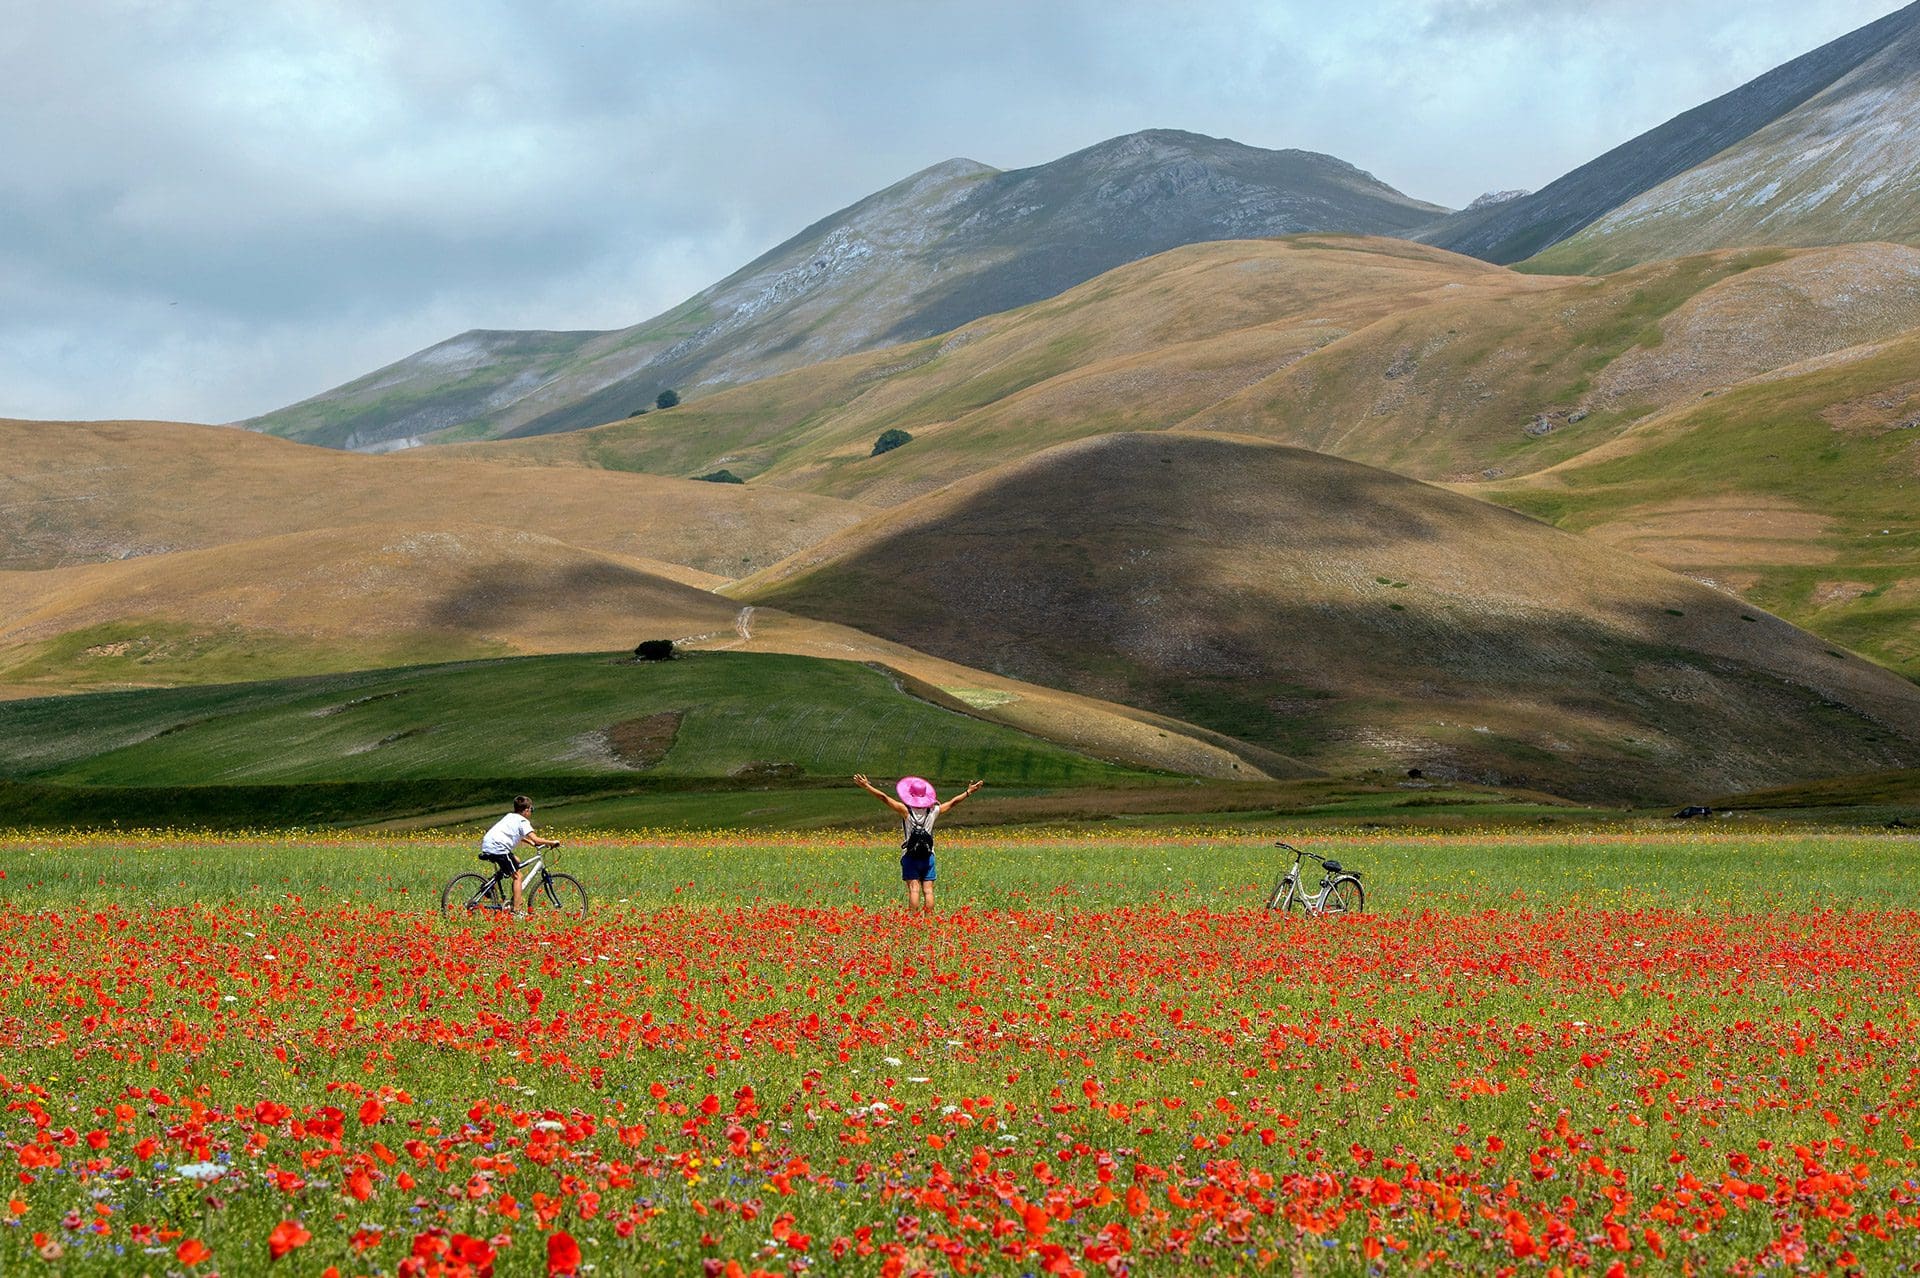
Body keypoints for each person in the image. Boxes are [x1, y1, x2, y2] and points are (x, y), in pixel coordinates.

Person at [852, 773, 983, 910]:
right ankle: (928, 921)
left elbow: (884, 798)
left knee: (914, 889)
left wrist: (867, 786)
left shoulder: (905, 810)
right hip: (928, 855)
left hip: (910, 855)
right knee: (928, 890)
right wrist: (968, 792)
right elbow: (952, 803)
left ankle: (913, 921)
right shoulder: (933, 811)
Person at [478, 795, 559, 917]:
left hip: (489, 844)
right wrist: (551, 842)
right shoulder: (523, 821)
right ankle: (516, 911)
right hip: (499, 848)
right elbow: (536, 839)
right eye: (531, 809)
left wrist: (529, 842)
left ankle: (489, 884)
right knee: (518, 876)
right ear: (526, 810)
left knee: (516, 860)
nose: (531, 812)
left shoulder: (510, 816)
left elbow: (514, 833)